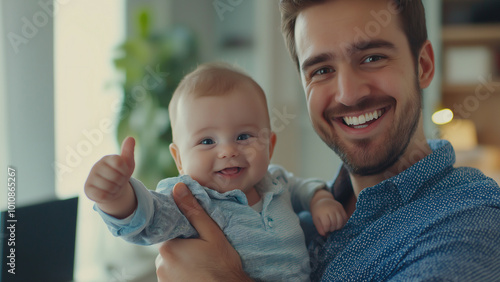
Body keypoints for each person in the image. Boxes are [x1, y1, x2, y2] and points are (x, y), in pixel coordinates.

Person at [155, 0, 500, 281]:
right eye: (321, 70)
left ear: (423, 65)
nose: (348, 94)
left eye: (372, 57)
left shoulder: (470, 220)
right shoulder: (299, 215)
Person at [84, 62, 348, 281]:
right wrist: (117, 198)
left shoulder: (275, 180)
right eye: (207, 141)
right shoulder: (190, 198)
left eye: (243, 136)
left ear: (270, 145)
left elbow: (303, 187)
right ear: (178, 158)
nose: (228, 151)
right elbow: (149, 219)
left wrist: (320, 199)